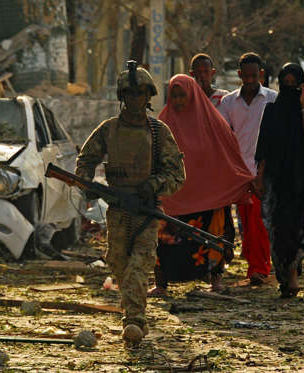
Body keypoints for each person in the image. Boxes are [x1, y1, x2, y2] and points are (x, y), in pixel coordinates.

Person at [75, 62, 186, 347]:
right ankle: (133, 308)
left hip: (146, 210)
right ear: (122, 96)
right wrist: (87, 183)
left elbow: (176, 174)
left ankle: (134, 320)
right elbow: (85, 160)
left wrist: (152, 185)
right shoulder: (108, 129)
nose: (135, 99)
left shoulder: (159, 132)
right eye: (130, 93)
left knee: (141, 263)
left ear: (148, 96)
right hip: (118, 210)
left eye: (140, 93)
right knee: (118, 261)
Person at [147, 74, 254, 295]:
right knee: (164, 240)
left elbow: (229, 155)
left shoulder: (213, 122)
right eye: (173, 96)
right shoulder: (162, 124)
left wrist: (240, 181)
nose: (177, 101)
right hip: (174, 197)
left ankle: (215, 280)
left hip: (209, 196)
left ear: (193, 95)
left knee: (214, 237)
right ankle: (161, 284)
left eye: (182, 96)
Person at [255, 63, 304, 298]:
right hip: (277, 180)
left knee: (299, 227)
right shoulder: (272, 110)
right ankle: (285, 276)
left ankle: (292, 276)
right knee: (277, 228)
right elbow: (263, 148)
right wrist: (260, 178)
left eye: (296, 85)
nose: (291, 88)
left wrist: (303, 105)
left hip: (303, 179)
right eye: (287, 85)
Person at [218, 52, 277, 285]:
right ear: (239, 75)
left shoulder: (272, 99)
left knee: (260, 222)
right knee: (245, 222)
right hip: (238, 172)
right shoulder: (229, 102)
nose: (251, 80)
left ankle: (259, 268)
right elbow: (223, 135)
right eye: (246, 76)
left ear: (261, 74)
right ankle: (254, 265)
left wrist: (264, 171)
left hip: (264, 171)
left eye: (255, 75)